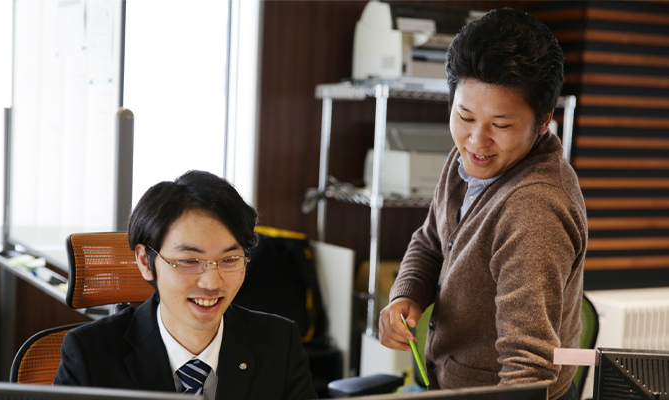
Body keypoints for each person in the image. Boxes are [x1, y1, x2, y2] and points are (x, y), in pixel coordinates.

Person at [378, 8, 587, 400]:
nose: (476, 140)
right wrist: (407, 294)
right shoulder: (469, 160)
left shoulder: (534, 210)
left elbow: (527, 370)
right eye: (465, 116)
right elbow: (431, 240)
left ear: (543, 121)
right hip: (453, 383)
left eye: (500, 125)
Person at [55, 170, 318, 400]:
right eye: (189, 261)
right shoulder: (89, 354)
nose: (211, 282)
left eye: (229, 259)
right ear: (145, 261)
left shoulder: (280, 344)